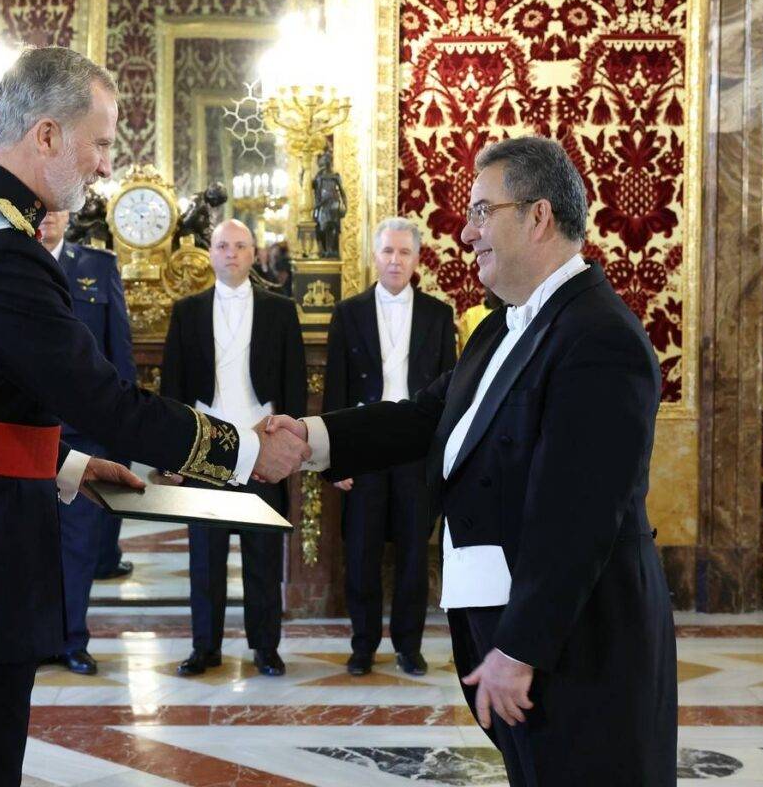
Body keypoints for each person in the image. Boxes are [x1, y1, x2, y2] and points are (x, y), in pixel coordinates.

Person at [0, 47, 309, 787]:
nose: (107, 166)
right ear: (47, 135)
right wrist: (243, 452)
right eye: (103, 142)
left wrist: (69, 464)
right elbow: (101, 399)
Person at [266, 136, 677, 786]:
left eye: (483, 211)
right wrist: (310, 438)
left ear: (537, 216)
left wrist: (521, 648)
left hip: (576, 648)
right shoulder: (500, 325)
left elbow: (581, 515)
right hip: (514, 638)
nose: (466, 232)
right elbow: (426, 417)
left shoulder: (599, 337)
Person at [159, 219, 307, 678]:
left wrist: (290, 446)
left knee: (263, 555)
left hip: (261, 446)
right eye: (222, 246)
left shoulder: (281, 311)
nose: (231, 254)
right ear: (210, 252)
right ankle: (205, 648)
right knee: (206, 557)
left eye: (240, 246)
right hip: (205, 448)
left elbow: (294, 385)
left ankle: (266, 648)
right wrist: (174, 455)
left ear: (254, 252)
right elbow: (173, 388)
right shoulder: (187, 311)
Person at [322, 217, 456, 677]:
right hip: (364, 446)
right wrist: (333, 457)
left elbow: (450, 396)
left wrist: (441, 462)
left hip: (416, 451)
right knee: (361, 553)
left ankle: (409, 645)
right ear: (374, 257)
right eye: (388, 252)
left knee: (414, 556)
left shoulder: (439, 315)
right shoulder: (349, 313)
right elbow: (335, 393)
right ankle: (363, 645)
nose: (395, 260)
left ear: (417, 260)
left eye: (404, 253)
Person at [37, 209, 135, 678]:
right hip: (24, 434)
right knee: (27, 544)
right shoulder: (9, 261)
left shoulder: (98, 266)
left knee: (77, 546)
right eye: (42, 205)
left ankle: (72, 640)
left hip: (82, 438)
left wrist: (121, 431)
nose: (50, 216)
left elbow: (120, 355)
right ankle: (33, 638)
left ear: (70, 214)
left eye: (58, 207)